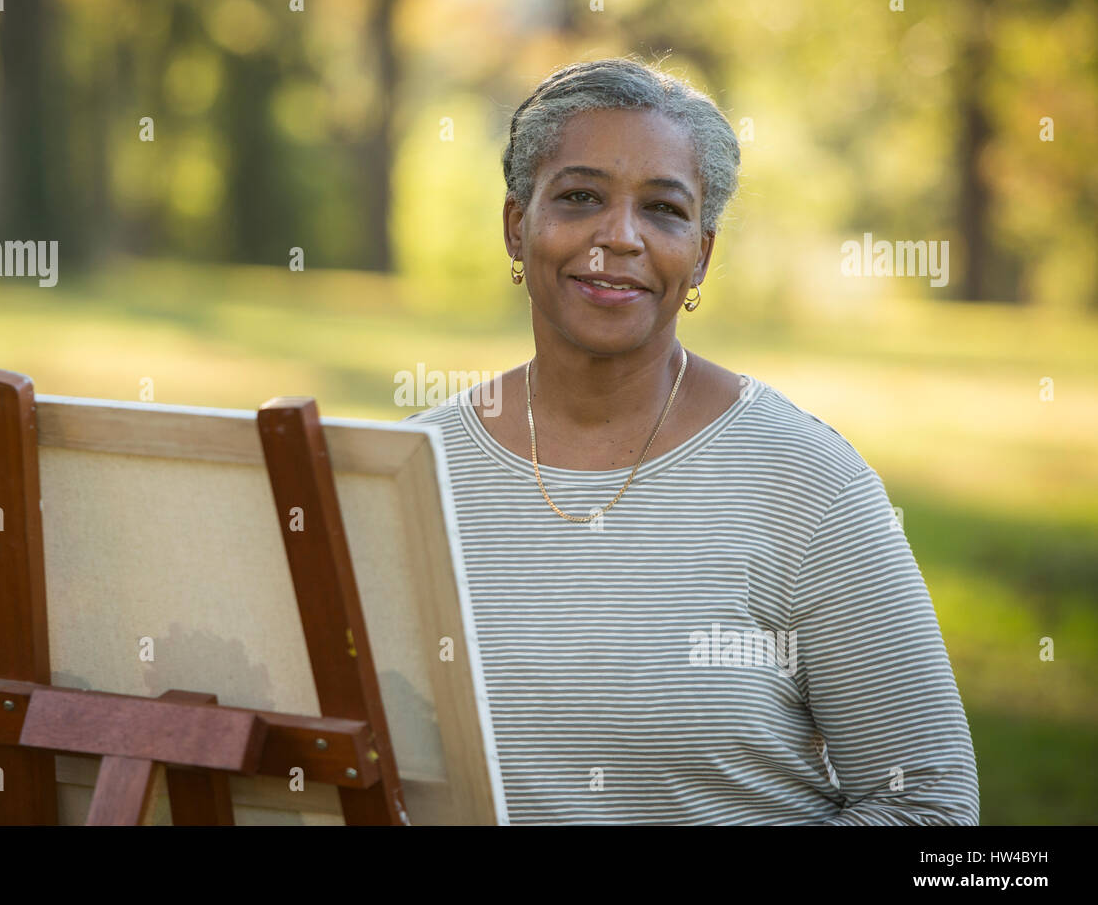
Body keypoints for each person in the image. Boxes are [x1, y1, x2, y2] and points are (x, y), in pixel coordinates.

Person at [403, 56, 979, 825]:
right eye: (579, 198)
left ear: (701, 252)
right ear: (517, 225)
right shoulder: (413, 470)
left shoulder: (807, 482)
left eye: (664, 210)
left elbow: (929, 805)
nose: (619, 238)